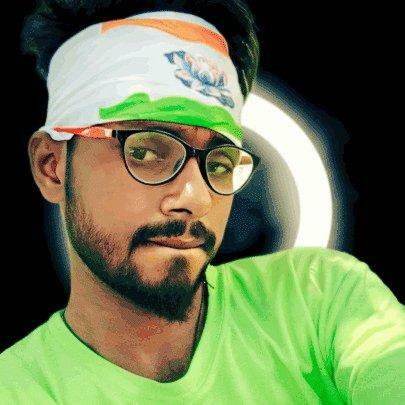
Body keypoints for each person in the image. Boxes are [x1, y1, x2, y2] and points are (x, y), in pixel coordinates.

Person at [1, 1, 404, 404]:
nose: (197, 198)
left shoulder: (319, 297)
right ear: (52, 167)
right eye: (146, 151)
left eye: (220, 164)